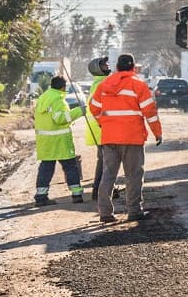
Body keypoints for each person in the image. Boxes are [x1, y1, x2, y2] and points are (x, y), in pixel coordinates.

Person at [87, 53, 162, 224]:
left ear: (117, 67)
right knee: (133, 175)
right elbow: (150, 112)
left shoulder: (105, 85)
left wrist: (103, 122)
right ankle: (134, 211)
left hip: (109, 137)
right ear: (133, 67)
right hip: (132, 138)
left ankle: (105, 213)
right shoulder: (138, 85)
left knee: (108, 175)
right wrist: (157, 132)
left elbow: (94, 107)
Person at [32, 76, 85, 206]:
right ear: (63, 87)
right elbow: (60, 119)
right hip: (60, 141)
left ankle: (41, 196)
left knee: (46, 168)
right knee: (70, 167)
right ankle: (77, 194)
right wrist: (80, 111)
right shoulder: (58, 100)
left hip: (45, 141)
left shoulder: (43, 98)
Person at [83, 56, 117, 198]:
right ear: (97, 69)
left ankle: (105, 189)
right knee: (107, 161)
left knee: (105, 160)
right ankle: (99, 191)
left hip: (100, 126)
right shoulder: (102, 84)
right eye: (104, 64)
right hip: (102, 127)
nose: (107, 65)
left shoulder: (99, 83)